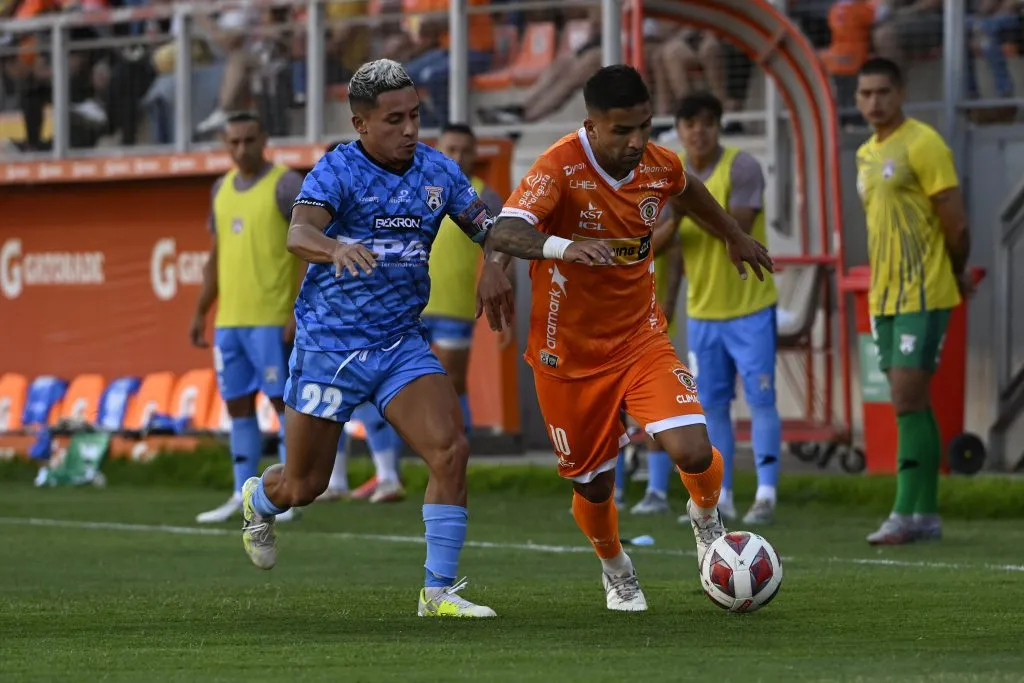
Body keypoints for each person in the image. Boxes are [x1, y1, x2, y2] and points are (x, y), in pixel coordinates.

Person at [479, 65, 773, 612]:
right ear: (591, 125)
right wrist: (540, 253)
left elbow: (688, 191)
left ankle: (706, 519)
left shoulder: (657, 165)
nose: (637, 141)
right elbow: (508, 227)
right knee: (594, 488)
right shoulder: (559, 166)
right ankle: (616, 568)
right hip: (564, 355)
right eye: (622, 131)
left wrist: (733, 233)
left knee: (693, 447)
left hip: (640, 339)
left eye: (645, 126)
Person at [239, 59, 511, 618]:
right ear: (361, 123)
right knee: (305, 485)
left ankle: (437, 594)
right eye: (394, 120)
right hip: (328, 348)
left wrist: (495, 262)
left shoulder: (439, 172)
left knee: (450, 450)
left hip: (398, 343)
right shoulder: (336, 171)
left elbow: (492, 228)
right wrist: (334, 247)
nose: (410, 129)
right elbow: (299, 232)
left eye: (414, 116)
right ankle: (260, 498)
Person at [646, 91, 781, 526]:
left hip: (749, 307)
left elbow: (734, 228)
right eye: (689, 124)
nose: (697, 132)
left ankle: (766, 493)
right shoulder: (673, 175)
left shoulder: (741, 167)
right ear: (680, 131)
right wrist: (668, 299)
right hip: (702, 313)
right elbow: (659, 243)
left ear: (718, 126)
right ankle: (720, 496)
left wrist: (688, 205)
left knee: (761, 400)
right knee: (712, 407)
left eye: (706, 122)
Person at [854, 58, 972, 545]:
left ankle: (904, 512)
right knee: (912, 401)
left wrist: (954, 273)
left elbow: (956, 224)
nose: (873, 102)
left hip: (923, 292)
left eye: (882, 91)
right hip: (884, 295)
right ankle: (926, 514)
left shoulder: (924, 144)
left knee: (903, 397)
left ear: (900, 92)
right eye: (864, 94)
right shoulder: (864, 153)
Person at [190, 111, 304, 525]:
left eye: (249, 140)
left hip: (272, 319)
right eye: (233, 142)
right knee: (237, 406)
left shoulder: (286, 185)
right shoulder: (220, 188)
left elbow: (313, 245)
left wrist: (298, 308)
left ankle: (288, 492)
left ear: (264, 139)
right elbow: (216, 255)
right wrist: (202, 309)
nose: (241, 149)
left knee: (282, 403)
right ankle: (244, 495)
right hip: (230, 322)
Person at [423, 122, 508, 426]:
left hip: (454, 309)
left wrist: (505, 308)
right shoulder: (415, 188)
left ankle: (461, 461)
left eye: (465, 150)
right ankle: (393, 468)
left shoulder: (484, 197)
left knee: (449, 385)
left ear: (475, 154)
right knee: (401, 388)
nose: (458, 157)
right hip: (408, 306)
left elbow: (502, 249)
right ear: (438, 151)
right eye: (451, 149)